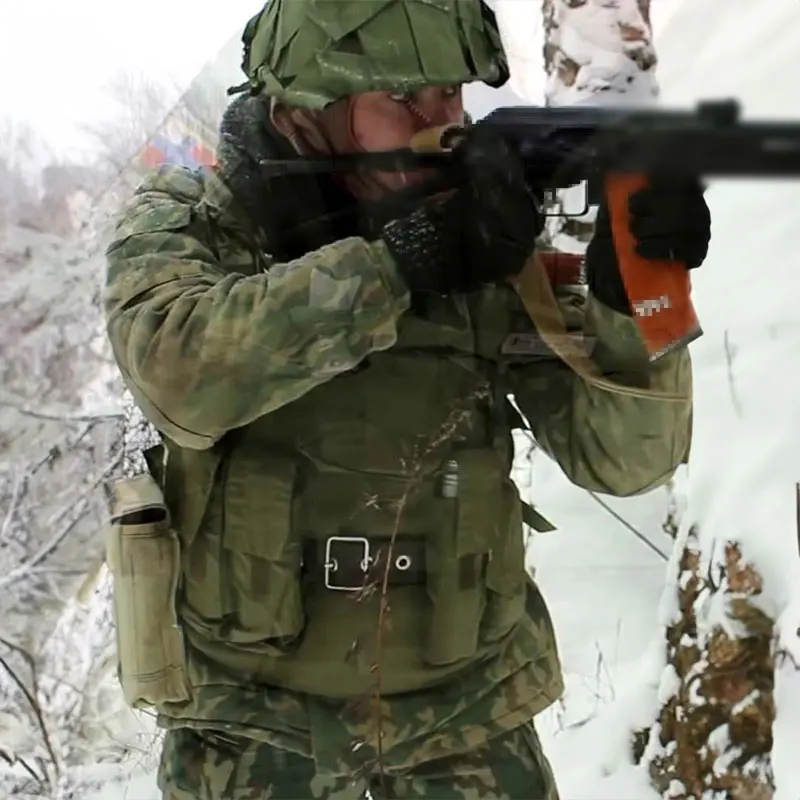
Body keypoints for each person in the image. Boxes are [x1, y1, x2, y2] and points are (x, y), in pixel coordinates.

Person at [102, 1, 710, 798]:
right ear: (308, 108)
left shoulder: (484, 238)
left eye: (451, 93)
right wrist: (399, 267)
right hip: (251, 733)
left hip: (469, 724)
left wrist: (629, 298)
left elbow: (626, 458)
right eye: (403, 98)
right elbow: (179, 371)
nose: (442, 122)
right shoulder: (196, 222)